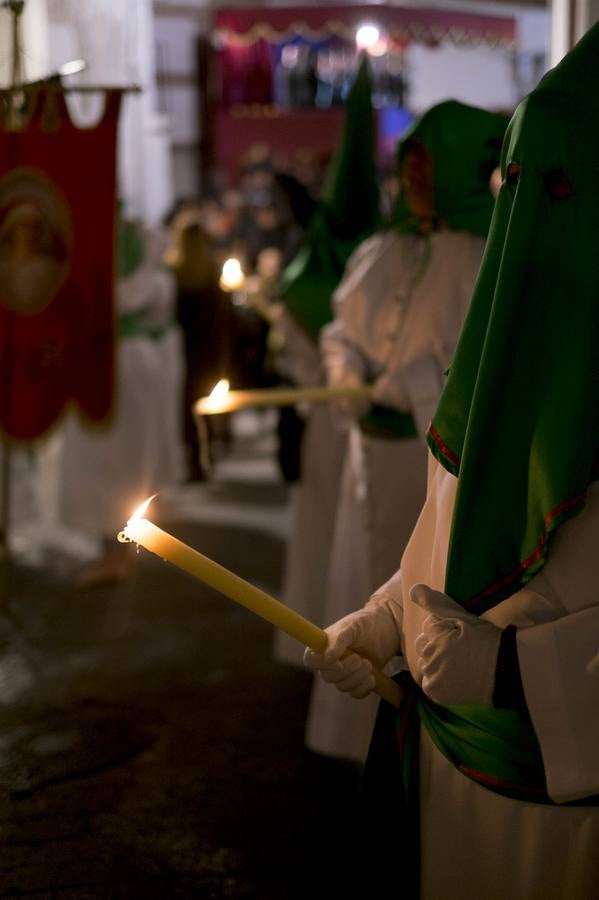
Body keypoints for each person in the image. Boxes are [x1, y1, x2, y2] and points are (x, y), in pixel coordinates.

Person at [305, 24, 599, 898]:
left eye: (562, 186)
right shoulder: (511, 350)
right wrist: (390, 614)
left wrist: (513, 673)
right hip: (451, 786)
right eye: (517, 180)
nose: (531, 216)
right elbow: (454, 517)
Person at [305, 100, 508, 765]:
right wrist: (346, 369)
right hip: (370, 451)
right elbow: (342, 327)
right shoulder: (380, 249)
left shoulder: (489, 258)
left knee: (417, 580)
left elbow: (484, 361)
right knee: (362, 587)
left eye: (429, 160)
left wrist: (416, 383)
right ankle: (346, 730)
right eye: (409, 159)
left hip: (432, 459)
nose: (414, 174)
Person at [272, 55, 380, 668]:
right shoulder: (388, 269)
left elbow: (302, 366)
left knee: (327, 537)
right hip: (368, 428)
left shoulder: (303, 280)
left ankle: (318, 639)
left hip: (328, 425)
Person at [56, 214, 184, 587]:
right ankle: (117, 547)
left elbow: (121, 299)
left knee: (116, 463)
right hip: (119, 362)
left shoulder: (134, 280)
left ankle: (118, 551)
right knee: (118, 460)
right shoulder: (143, 269)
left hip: (117, 364)